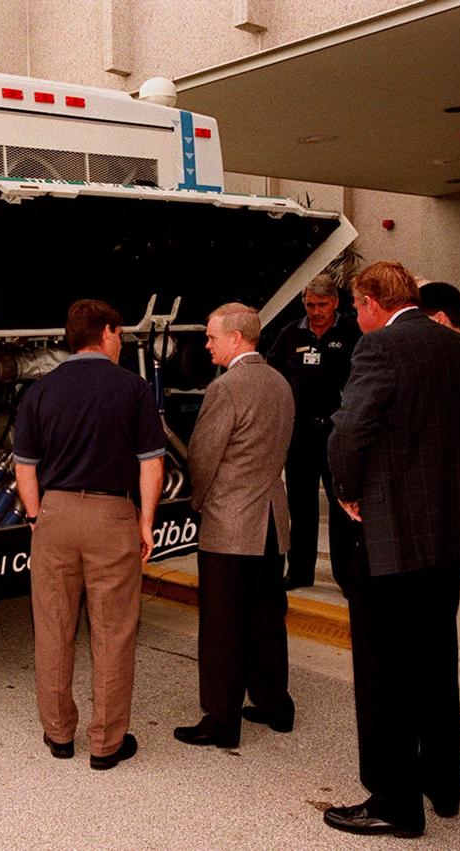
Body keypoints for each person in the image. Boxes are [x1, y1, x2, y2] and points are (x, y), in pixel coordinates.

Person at [324, 262, 460, 838]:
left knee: (384, 669)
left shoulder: (379, 349)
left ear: (373, 301)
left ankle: (394, 802)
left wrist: (347, 492)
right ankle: (444, 784)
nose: (356, 316)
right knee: (435, 657)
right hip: (450, 535)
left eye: (356, 306)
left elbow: (349, 430)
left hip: (391, 537)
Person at [13, 299, 165, 770]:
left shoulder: (40, 391)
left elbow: (25, 467)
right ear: (104, 332)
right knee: (113, 632)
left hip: (55, 515)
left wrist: (38, 517)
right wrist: (144, 523)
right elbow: (152, 462)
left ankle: (59, 735)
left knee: (54, 628)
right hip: (111, 516)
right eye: (119, 333)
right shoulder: (134, 389)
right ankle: (106, 744)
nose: (121, 342)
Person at [174, 302, 295, 749]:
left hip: (230, 523)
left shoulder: (225, 388)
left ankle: (221, 719)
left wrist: (200, 501)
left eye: (211, 336)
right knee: (267, 616)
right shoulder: (280, 382)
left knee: (223, 624)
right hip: (270, 520)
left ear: (236, 338)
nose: (206, 344)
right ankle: (274, 704)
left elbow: (203, 456)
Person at [266, 274, 361, 590]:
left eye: (321, 304)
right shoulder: (291, 333)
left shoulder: (351, 331)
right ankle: (300, 571)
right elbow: (273, 371)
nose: (316, 311)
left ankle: (346, 575)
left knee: (340, 505)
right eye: (310, 304)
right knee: (301, 505)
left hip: (337, 431)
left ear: (334, 302)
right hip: (300, 433)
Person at [419, 281, 460, 731]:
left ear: (438, 320)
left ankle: (453, 703)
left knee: (454, 610)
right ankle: (449, 701)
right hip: (452, 504)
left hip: (445, 508)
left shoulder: (451, 362)